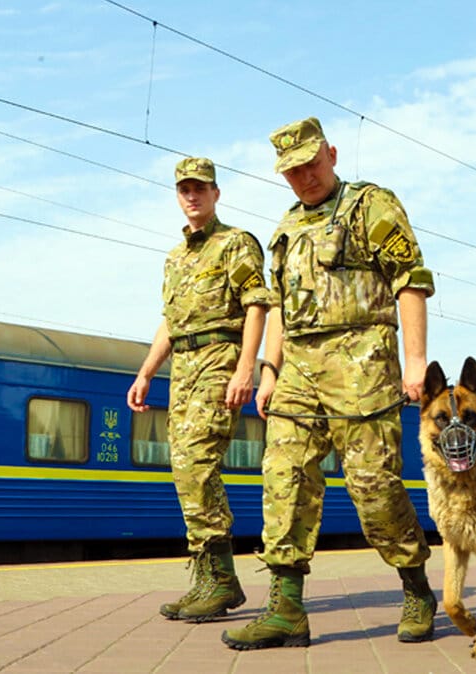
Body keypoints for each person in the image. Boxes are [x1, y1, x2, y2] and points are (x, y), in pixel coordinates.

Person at [221, 118, 437, 650]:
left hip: (363, 361)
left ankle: (416, 588)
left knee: (373, 487)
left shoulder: (371, 206)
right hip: (298, 367)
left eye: (310, 165)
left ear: (332, 155)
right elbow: (280, 310)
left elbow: (410, 280)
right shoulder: (286, 227)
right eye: (291, 172)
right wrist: (269, 370)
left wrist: (416, 361)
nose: (303, 178)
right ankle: (286, 608)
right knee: (284, 477)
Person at [128, 156, 270, 623]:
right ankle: (207, 576)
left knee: (197, 463)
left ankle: (222, 580)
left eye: (200, 188)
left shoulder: (236, 244)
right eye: (184, 189)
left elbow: (256, 306)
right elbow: (170, 321)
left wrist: (245, 367)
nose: (192, 195)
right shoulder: (176, 257)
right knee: (184, 467)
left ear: (216, 194)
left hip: (218, 361)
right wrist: (147, 371)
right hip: (183, 369)